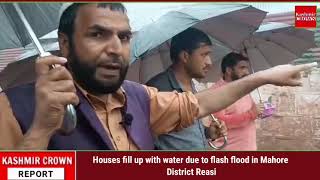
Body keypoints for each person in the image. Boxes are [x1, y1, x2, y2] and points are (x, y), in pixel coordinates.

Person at [0, 3, 315, 150]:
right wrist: (41, 129)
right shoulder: (13, 109)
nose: (115, 49)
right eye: (98, 34)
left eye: (124, 38)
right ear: (65, 43)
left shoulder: (138, 97)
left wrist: (261, 78)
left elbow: (198, 104)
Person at [146, 28, 227, 150]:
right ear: (185, 56)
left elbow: (181, 134)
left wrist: (207, 133)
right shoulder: (157, 90)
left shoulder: (193, 85)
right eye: (204, 55)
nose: (209, 62)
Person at [211, 52, 264, 150]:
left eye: (247, 68)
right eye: (242, 68)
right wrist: (251, 114)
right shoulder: (217, 92)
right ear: (229, 70)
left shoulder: (243, 88)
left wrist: (259, 111)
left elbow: (249, 111)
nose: (247, 72)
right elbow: (219, 123)